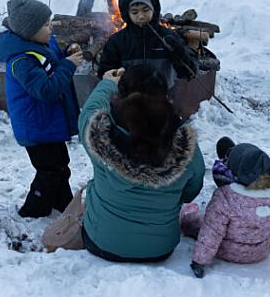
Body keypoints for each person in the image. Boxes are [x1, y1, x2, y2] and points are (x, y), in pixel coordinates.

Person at [78, 64, 204, 262]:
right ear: (166, 98)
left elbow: (89, 111)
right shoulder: (187, 149)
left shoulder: (97, 135)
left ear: (122, 97)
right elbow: (190, 193)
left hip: (101, 243)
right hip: (160, 249)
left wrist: (106, 84)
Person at [0, 0, 84, 218]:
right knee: (49, 171)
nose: (50, 27)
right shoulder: (21, 60)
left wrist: (67, 55)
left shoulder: (43, 43)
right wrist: (69, 66)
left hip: (48, 124)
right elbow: (46, 90)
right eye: (45, 25)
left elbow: (53, 61)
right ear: (29, 31)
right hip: (35, 127)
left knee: (61, 165)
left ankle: (64, 204)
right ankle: (33, 211)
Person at [180, 138, 270, 278]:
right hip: (261, 250)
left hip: (228, 250)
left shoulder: (225, 197)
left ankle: (187, 218)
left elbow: (212, 232)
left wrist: (199, 261)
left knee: (201, 222)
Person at [97, 0, 198, 96]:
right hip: (128, 102)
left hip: (163, 101)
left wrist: (179, 54)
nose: (141, 16)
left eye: (145, 10)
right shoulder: (117, 41)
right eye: (134, 12)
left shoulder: (167, 36)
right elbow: (105, 73)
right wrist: (120, 87)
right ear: (126, 13)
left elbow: (190, 72)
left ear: (154, 9)